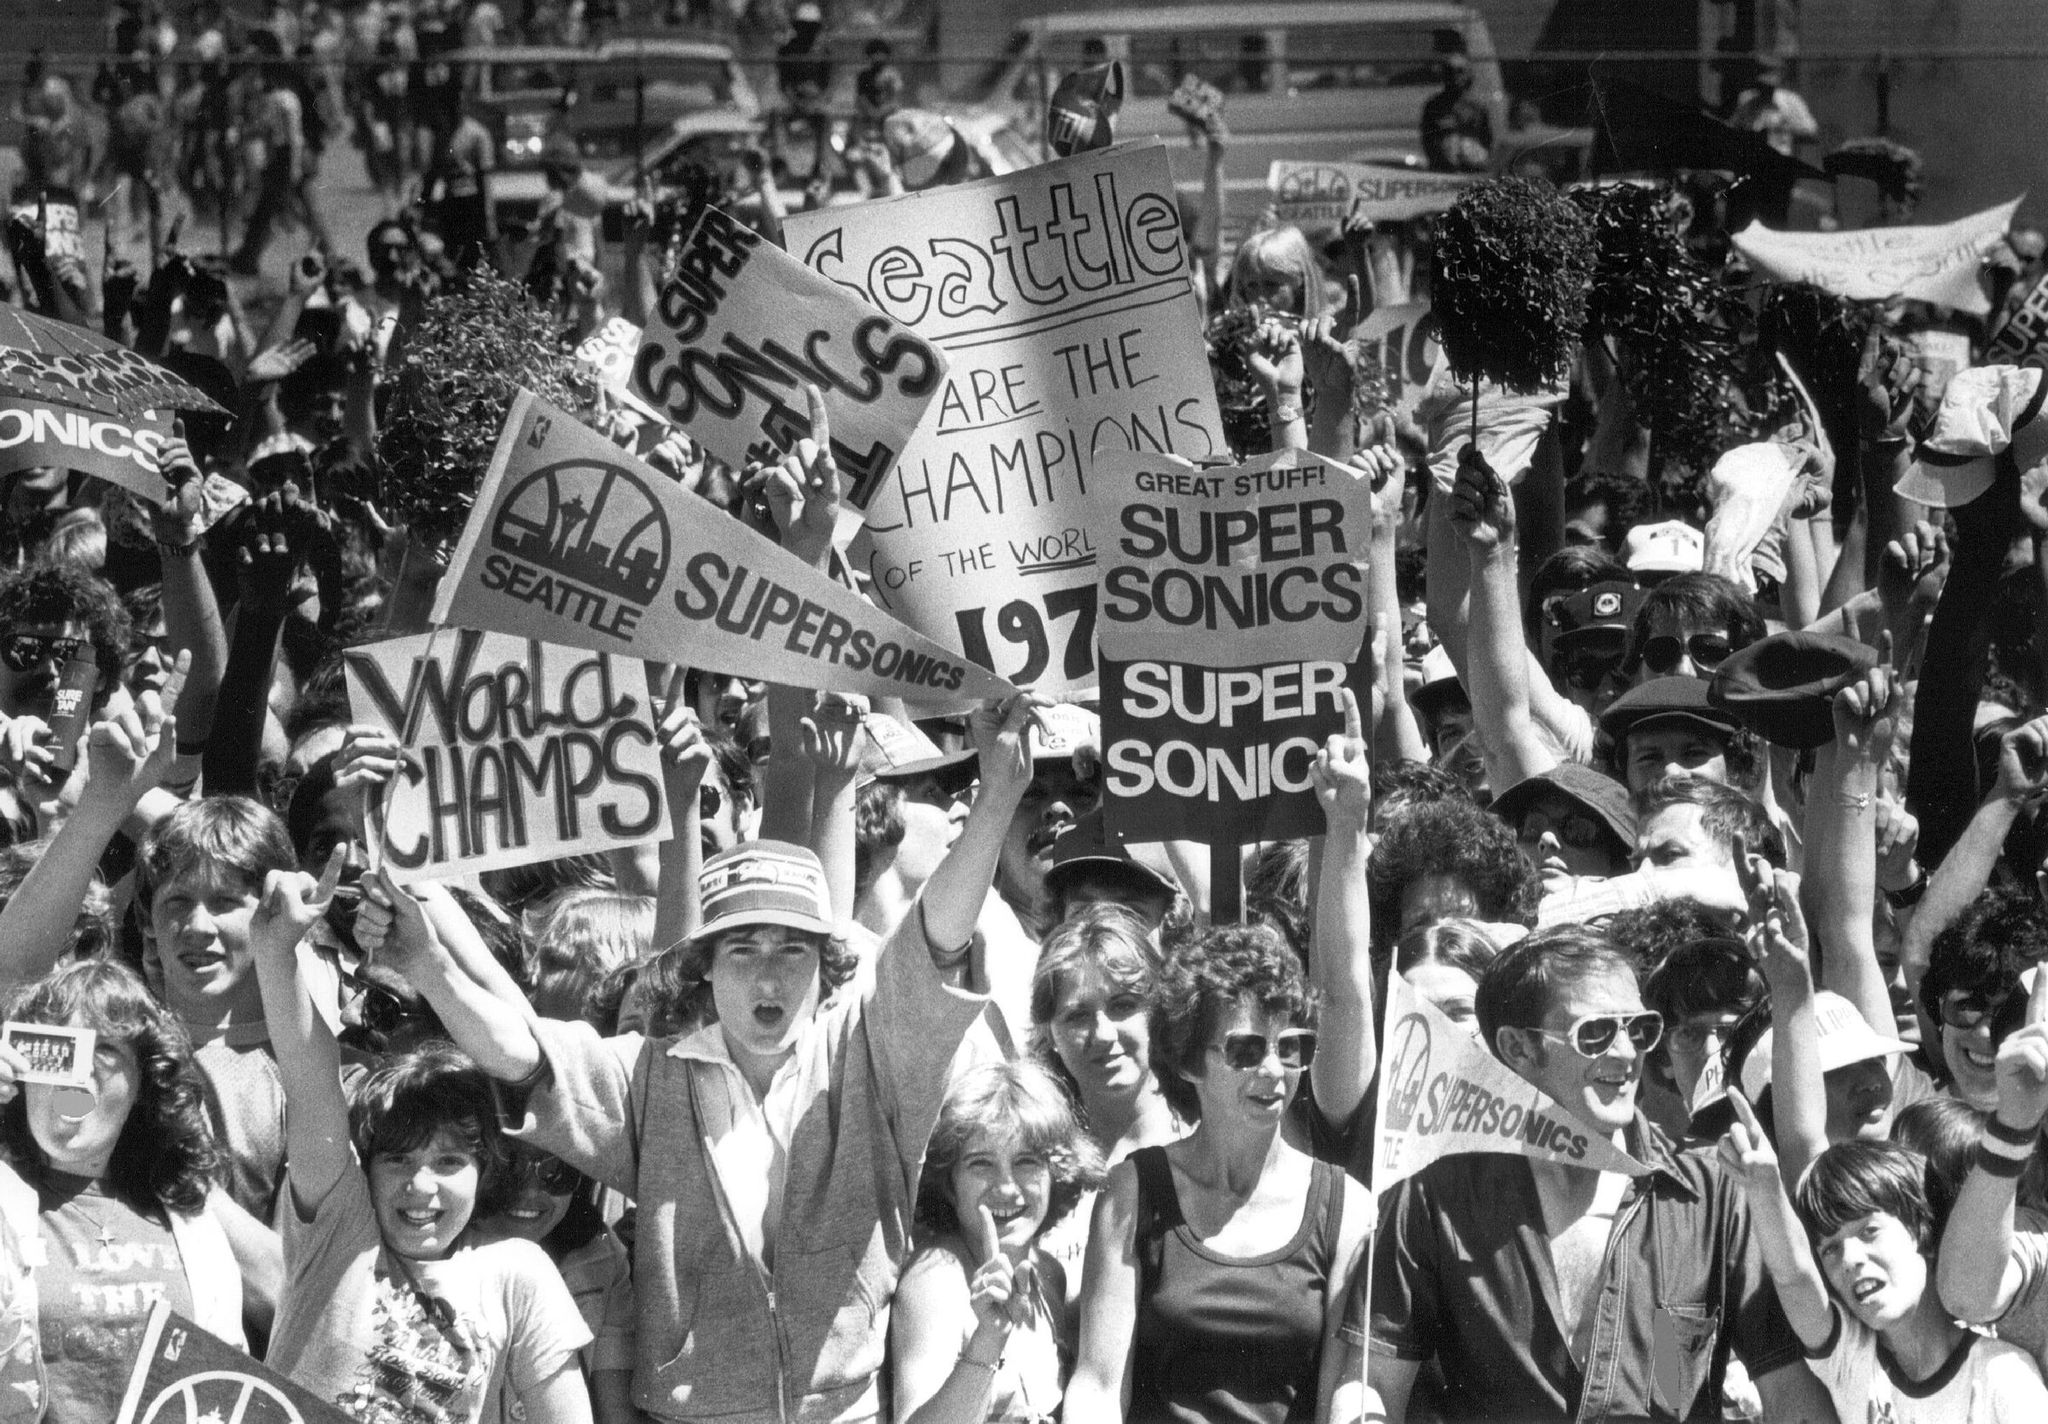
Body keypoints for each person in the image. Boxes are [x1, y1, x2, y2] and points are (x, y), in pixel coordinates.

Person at [359, 695, 1043, 1424]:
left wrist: (999, 794)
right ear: (705, 968)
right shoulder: (649, 1076)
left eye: (793, 950)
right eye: (743, 950)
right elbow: (524, 1054)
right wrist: (426, 963)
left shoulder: (872, 1058)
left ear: (828, 964)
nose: (769, 977)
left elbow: (936, 938)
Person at [1349, 925, 1831, 1422]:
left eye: (1639, 1030)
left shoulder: (1712, 1193)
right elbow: (1372, 1381)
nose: (1626, 1054)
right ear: (1518, 1049)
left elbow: (1791, 1391)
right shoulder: (1437, 1195)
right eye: (1597, 1033)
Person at [248, 858, 594, 1423]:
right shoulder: (338, 1232)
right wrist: (275, 952)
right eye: (398, 1158)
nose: (420, 1185)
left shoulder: (517, 1275)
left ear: (485, 1170)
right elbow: (311, 1081)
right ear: (366, 1167)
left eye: (450, 1161)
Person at [1066, 925, 1372, 1424]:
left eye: (1292, 1048)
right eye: (1246, 1050)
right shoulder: (1132, 1193)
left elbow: (1340, 1396)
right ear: (1189, 1062)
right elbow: (1097, 1386)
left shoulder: (1348, 1209)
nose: (1272, 1070)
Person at [0, 960, 262, 1424]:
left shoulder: (191, 1220)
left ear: (144, 1082)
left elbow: (222, 1385)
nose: (75, 1076)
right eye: (58, 1050)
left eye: (104, 1049)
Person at [891, 1062, 1105, 1424]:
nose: (1006, 1187)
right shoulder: (936, 1278)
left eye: (1026, 1162)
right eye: (981, 1164)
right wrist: (987, 1340)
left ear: (1056, 1174)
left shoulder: (1048, 1273)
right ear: (948, 1183)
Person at [1419, 52, 1490, 173]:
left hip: (1472, 170)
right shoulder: (1433, 106)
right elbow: (1427, 141)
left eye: (1460, 71)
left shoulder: (1478, 107)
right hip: (1443, 170)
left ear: (1468, 75)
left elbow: (1487, 140)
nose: (1454, 76)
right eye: (1449, 71)